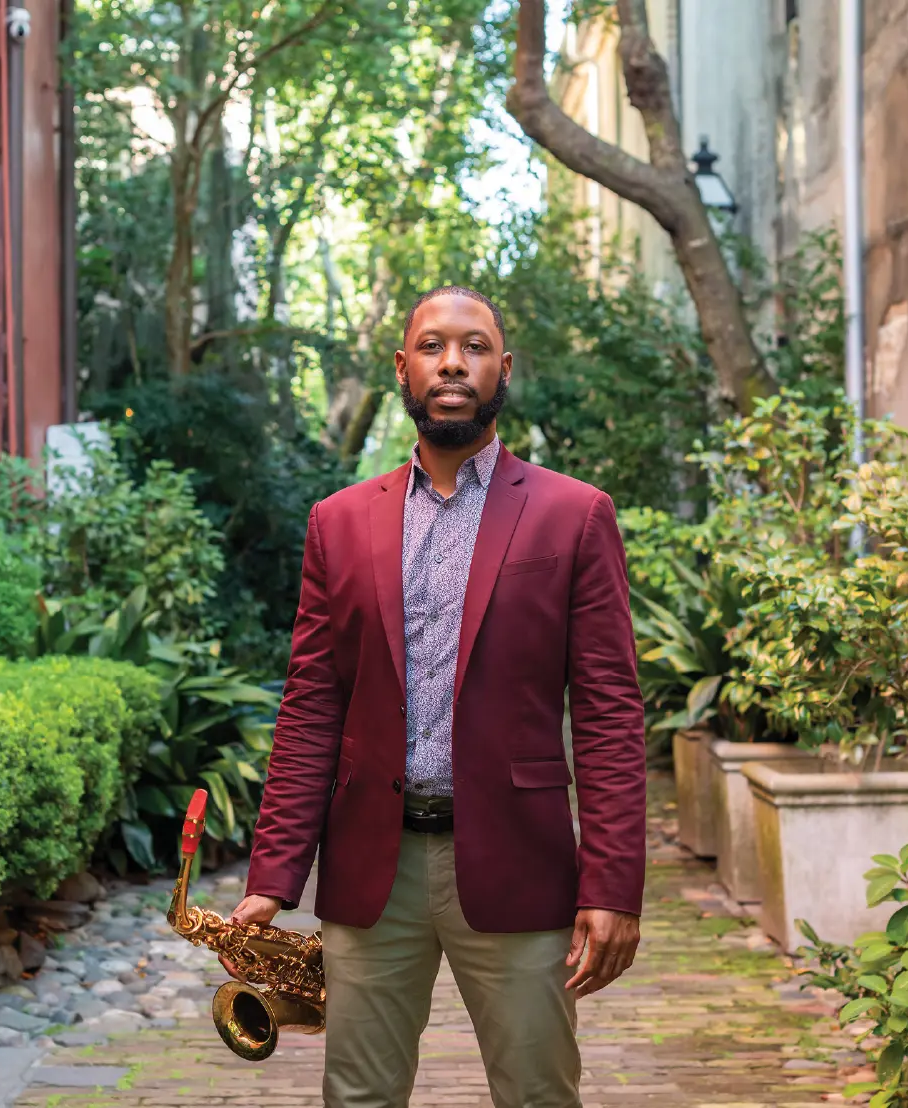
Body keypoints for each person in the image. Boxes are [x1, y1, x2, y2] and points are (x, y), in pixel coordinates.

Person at [225, 285, 647, 1108]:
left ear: (504, 368)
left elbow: (608, 713)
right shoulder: (338, 522)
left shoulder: (574, 515)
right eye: (432, 346)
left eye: (475, 346)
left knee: (538, 1093)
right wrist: (275, 873)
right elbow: (312, 704)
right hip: (372, 868)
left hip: (519, 863)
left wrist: (611, 885)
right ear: (403, 368)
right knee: (358, 1096)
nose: (453, 363)